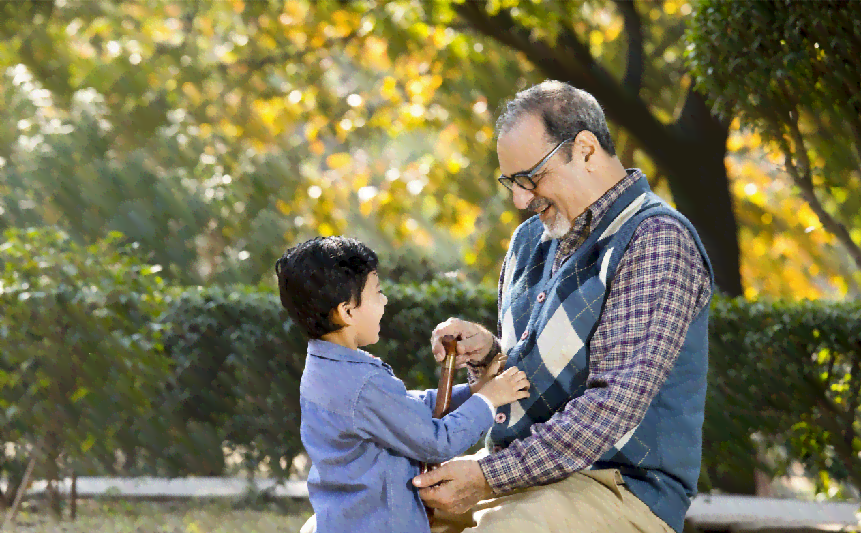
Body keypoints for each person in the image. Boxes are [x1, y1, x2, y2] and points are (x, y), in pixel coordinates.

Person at [412, 80, 715, 533]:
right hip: (517, 480)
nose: (519, 200)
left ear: (587, 150)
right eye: (512, 182)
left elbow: (610, 406)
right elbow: (533, 378)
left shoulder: (656, 240)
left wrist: (485, 478)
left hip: (618, 488)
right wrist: (489, 356)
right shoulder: (531, 238)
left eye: (531, 178)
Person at [275, 236, 530, 533]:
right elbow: (437, 442)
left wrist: (472, 391)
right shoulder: (361, 383)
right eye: (378, 293)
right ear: (347, 312)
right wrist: (490, 399)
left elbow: (404, 410)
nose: (385, 300)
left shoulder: (327, 369)